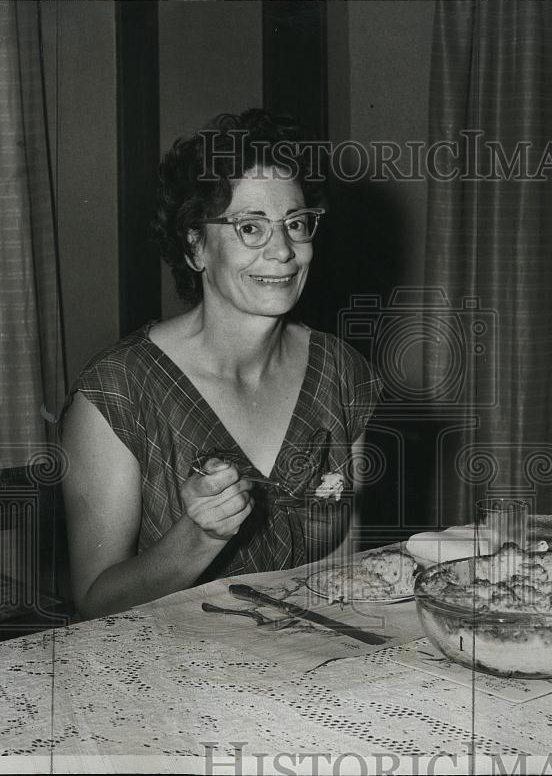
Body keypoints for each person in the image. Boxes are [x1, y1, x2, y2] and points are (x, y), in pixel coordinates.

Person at [61, 108, 381, 619]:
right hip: (168, 677)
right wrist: (199, 536)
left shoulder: (342, 372)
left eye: (295, 224)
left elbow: (344, 566)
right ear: (195, 246)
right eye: (250, 227)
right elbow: (97, 605)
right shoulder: (117, 393)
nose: (283, 251)